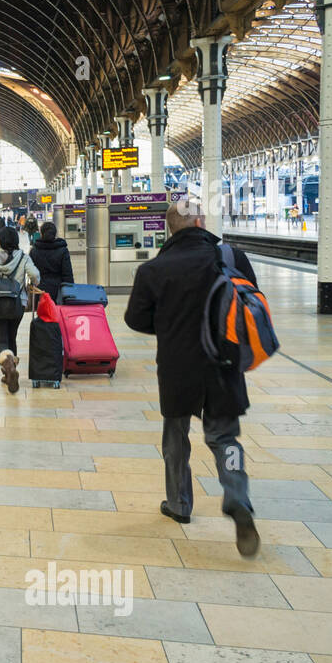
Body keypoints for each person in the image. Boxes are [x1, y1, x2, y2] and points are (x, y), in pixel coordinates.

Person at [123, 198, 260, 557]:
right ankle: (238, 497)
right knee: (225, 439)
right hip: (223, 362)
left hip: (176, 366)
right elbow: (250, 299)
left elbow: (134, 320)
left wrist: (169, 325)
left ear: (169, 229)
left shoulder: (153, 270)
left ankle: (180, 504)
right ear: (199, 222)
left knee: (175, 439)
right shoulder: (230, 258)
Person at [0, 225, 40, 394]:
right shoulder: (23, 257)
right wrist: (32, 283)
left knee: (1, 340)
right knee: (11, 338)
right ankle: (9, 371)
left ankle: (8, 367)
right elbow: (35, 275)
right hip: (17, 304)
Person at [29, 221, 75, 299]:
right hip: (59, 290)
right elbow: (67, 273)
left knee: (41, 310)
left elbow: (32, 272)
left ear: (41, 233)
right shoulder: (63, 250)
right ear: (55, 234)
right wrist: (70, 291)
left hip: (39, 289)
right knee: (57, 310)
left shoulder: (34, 250)